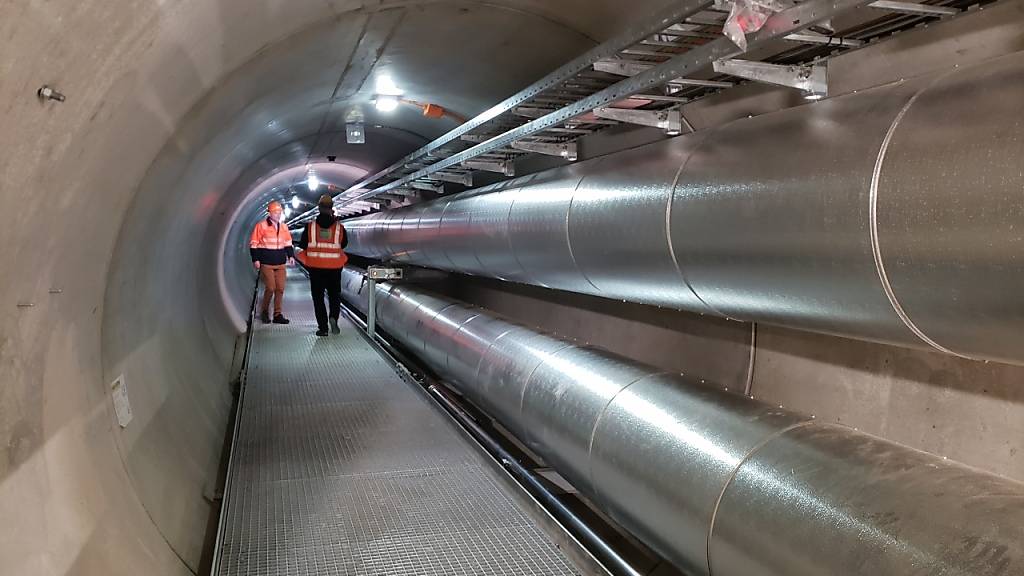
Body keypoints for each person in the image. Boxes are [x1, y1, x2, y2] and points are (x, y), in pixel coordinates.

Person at [296, 194, 348, 337]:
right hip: (335, 268)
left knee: (318, 298)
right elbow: (344, 244)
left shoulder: (310, 227)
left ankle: (323, 328)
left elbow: (302, 245)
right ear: (331, 208)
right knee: (334, 296)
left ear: (319, 208)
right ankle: (334, 317)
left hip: (316, 268)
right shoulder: (339, 228)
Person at [250, 200, 294, 324]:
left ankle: (277, 314)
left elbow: (288, 243)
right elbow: (254, 243)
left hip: (280, 262)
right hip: (266, 262)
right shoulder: (261, 226)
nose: (278, 214)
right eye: (275, 212)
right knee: (270, 287)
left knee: (280, 288)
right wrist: (256, 259)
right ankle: (264, 311)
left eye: (280, 212)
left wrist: (290, 256)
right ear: (269, 213)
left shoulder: (284, 227)